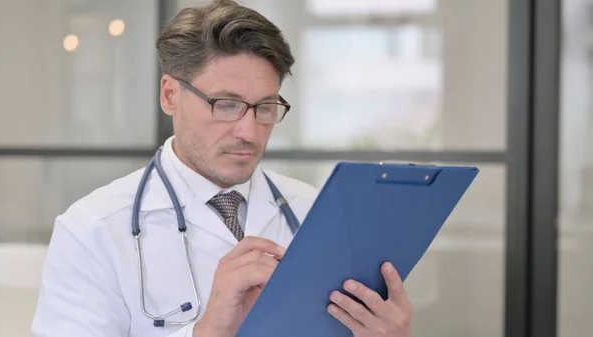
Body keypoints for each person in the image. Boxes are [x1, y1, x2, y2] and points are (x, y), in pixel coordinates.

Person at [31, 1, 412, 336]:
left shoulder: (314, 211)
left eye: (264, 108)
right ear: (169, 95)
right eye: (226, 105)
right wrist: (207, 332)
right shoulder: (91, 231)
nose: (249, 131)